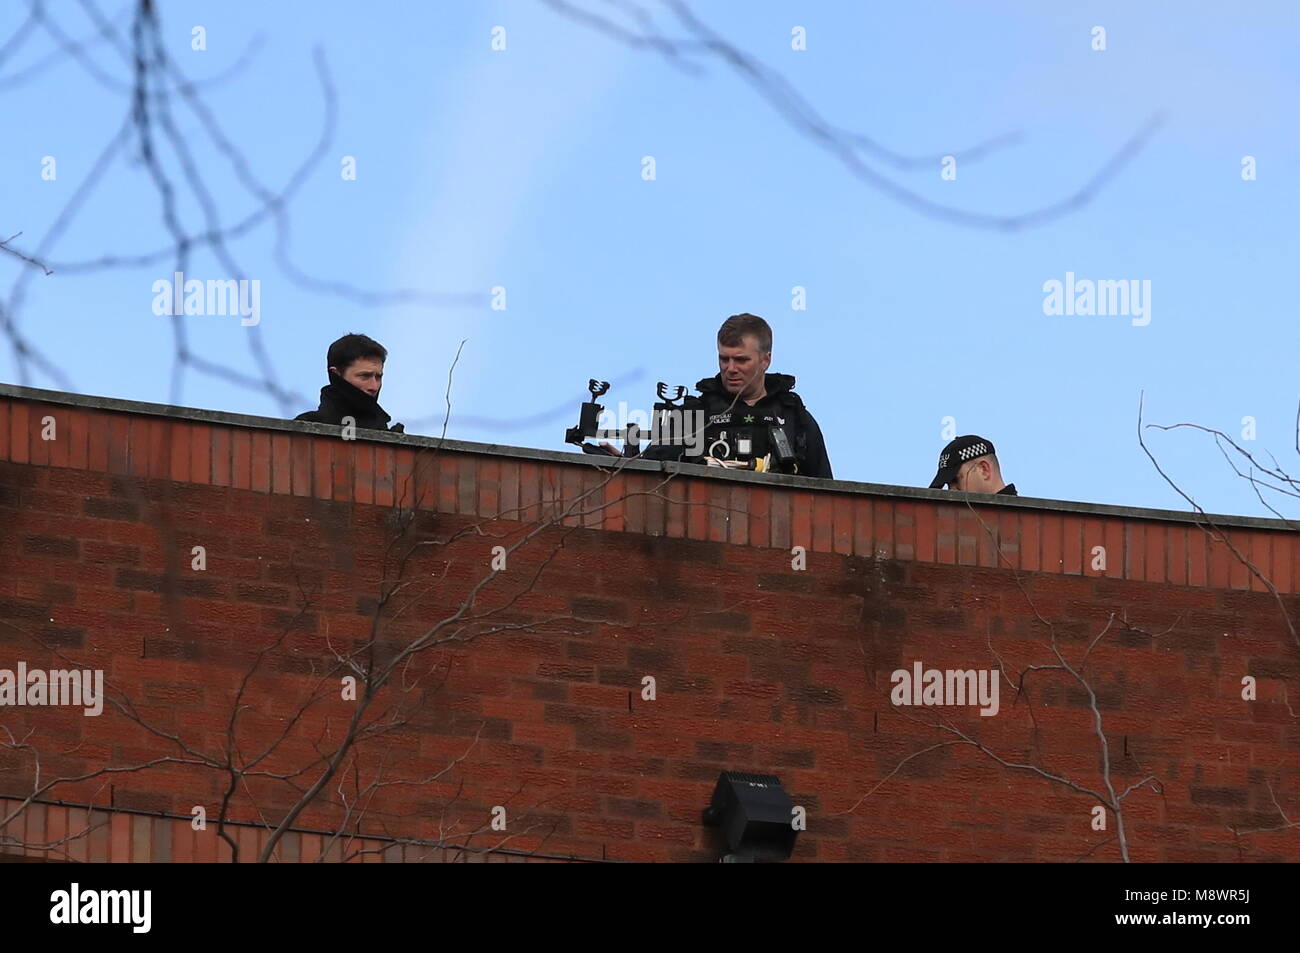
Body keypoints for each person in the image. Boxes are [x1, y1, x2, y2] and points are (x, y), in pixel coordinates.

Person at [641, 313, 833, 478]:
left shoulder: (795, 417)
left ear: (766, 360)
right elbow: (648, 478)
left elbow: (826, 494)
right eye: (724, 359)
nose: (730, 369)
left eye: (741, 360)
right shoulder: (693, 414)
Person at [295, 333, 405, 433]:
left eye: (378, 377)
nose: (374, 386)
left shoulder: (393, 443)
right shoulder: (304, 429)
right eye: (364, 376)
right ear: (336, 375)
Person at [928, 435, 1016, 495]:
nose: (951, 490)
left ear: (984, 470)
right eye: (947, 484)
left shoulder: (1024, 519)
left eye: (956, 480)